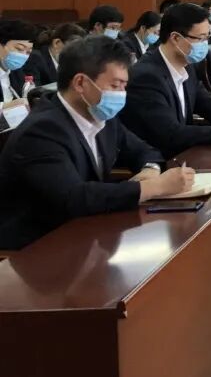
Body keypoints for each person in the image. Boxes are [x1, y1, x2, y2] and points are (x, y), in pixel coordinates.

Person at [0, 36, 195, 250]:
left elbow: (144, 150)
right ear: (80, 83)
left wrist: (150, 169)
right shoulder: (42, 130)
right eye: (115, 85)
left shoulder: (101, 115)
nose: (121, 95)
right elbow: (75, 198)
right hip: (38, 246)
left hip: (87, 230)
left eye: (124, 86)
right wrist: (154, 187)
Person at [122, 3, 211, 159]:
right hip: (159, 161)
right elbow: (171, 134)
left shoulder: (187, 66)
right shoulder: (146, 76)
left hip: (185, 153)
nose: (205, 44)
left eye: (207, 38)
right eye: (200, 38)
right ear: (175, 38)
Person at [0, 20, 37, 105]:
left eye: (28, 52)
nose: (23, 55)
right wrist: (5, 107)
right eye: (19, 49)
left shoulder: (17, 73)